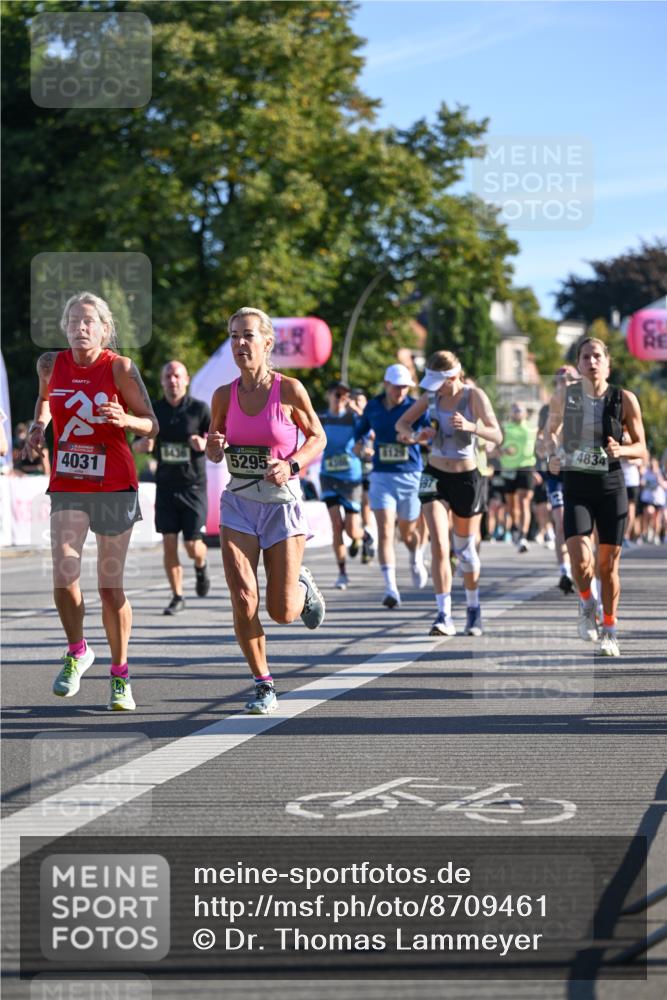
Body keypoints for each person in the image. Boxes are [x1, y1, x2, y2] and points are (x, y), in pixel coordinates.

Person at [24, 291, 158, 710]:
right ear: (64, 327)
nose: (80, 328)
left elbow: (151, 424)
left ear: (104, 328)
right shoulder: (51, 364)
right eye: (73, 321)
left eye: (89, 322)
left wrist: (125, 419)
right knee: (64, 574)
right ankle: (78, 650)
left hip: (114, 484)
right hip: (69, 481)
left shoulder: (120, 368)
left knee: (109, 587)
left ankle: (120, 674)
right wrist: (38, 425)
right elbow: (46, 399)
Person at [206, 306, 327, 715]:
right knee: (243, 597)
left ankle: (302, 588)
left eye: (248, 335)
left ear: (267, 342)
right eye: (234, 336)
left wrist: (291, 465)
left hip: (281, 507)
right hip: (238, 504)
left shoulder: (289, 390)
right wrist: (214, 446)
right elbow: (215, 446)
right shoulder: (223, 395)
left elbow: (318, 437)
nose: (240, 343)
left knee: (282, 612)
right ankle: (263, 683)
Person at [547, 337, 646, 657]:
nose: (591, 362)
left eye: (597, 356)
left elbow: (642, 448)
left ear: (607, 363)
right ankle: (587, 602)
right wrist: (552, 454)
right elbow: (549, 434)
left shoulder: (624, 398)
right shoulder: (565, 397)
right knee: (579, 558)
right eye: (586, 357)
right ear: (578, 364)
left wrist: (623, 450)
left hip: (611, 487)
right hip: (577, 485)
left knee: (608, 565)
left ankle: (610, 630)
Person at [396, 351, 502, 636]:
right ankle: (443, 615)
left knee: (465, 550)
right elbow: (401, 424)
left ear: (453, 377)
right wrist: (416, 436)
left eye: (439, 384)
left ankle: (473, 607)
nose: (435, 390)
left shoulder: (474, 396)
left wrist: (471, 426)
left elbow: (497, 434)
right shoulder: (431, 397)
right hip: (434, 475)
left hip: (467, 478)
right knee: (440, 545)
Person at [133, 361, 211, 614]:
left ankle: (201, 564)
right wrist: (142, 446)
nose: (172, 380)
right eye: (168, 376)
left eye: (177, 376)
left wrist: (205, 443)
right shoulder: (153, 411)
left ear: (186, 380)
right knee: (168, 542)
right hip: (166, 486)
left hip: (193, 486)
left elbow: (218, 439)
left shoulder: (200, 409)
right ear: (162, 381)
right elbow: (136, 442)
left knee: (192, 545)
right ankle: (177, 595)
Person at [356, 363, 429, 608]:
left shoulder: (415, 406)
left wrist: (415, 438)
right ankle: (391, 589)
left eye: (405, 388)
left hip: (410, 474)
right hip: (381, 475)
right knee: (386, 531)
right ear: (386, 384)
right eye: (396, 387)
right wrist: (361, 444)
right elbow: (361, 431)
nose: (400, 392)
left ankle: (416, 555)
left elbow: (430, 434)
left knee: (407, 533)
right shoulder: (373, 406)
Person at [318, 381, 364, 589]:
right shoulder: (321, 418)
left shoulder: (353, 417)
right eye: (337, 394)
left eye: (345, 396)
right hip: (329, 476)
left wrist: (357, 410)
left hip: (351, 478)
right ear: (329, 395)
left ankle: (362, 537)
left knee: (352, 530)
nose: (341, 399)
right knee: (336, 525)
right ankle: (342, 573)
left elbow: (371, 429)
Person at [536, 366, 578, 593]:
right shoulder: (548, 407)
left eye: (570, 378)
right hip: (556, 472)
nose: (565, 382)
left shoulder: (586, 402)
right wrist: (546, 447)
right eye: (561, 379)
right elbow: (541, 437)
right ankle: (565, 572)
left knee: (582, 526)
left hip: (579, 471)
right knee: (561, 522)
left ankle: (582, 567)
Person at [499, 402, 536, 552]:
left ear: (525, 413)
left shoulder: (532, 428)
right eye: (514, 410)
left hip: (526, 467)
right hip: (508, 468)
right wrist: (502, 450)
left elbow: (541, 443)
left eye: (520, 410)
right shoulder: (505, 427)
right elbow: (497, 444)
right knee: (511, 505)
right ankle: (515, 528)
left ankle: (523, 536)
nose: (517, 412)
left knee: (524, 502)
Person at [348, 387, 376, 563]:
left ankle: (367, 540)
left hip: (369, 468)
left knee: (365, 504)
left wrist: (372, 452)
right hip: (351, 468)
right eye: (355, 401)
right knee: (353, 505)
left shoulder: (370, 417)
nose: (357, 404)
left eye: (360, 401)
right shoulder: (348, 419)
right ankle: (358, 534)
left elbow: (374, 435)